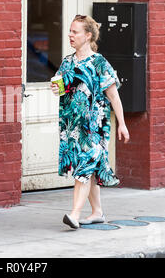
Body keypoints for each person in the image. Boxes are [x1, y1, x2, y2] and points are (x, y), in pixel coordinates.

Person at [50, 15, 130, 229]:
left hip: (95, 127)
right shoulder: (67, 61)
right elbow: (62, 88)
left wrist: (121, 123)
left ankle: (75, 214)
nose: (70, 35)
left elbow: (113, 96)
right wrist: (57, 87)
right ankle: (97, 212)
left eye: (75, 32)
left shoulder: (99, 62)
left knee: (84, 169)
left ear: (87, 36)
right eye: (70, 31)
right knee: (89, 170)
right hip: (72, 127)